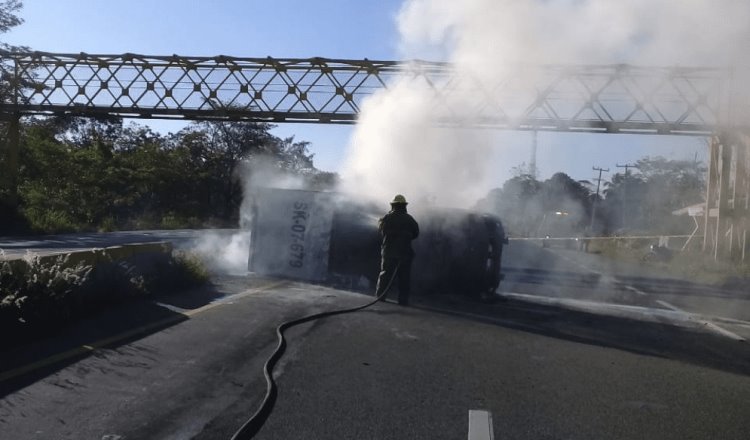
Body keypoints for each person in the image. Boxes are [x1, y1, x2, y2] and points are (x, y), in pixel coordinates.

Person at [374, 194, 419, 305]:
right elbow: (416, 234)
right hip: (405, 254)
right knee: (404, 278)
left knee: (385, 275)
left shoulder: (387, 218)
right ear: (404, 206)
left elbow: (381, 230)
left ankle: (380, 297)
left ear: (393, 205)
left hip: (389, 253)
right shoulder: (410, 219)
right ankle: (403, 300)